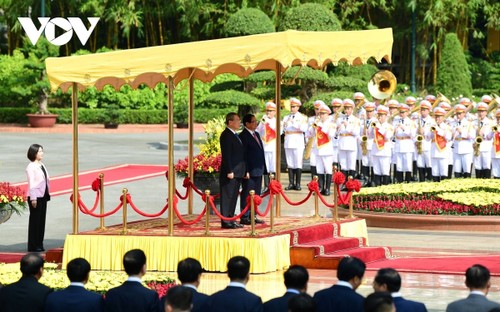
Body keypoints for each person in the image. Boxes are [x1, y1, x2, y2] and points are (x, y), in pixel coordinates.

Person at [219, 112, 246, 229]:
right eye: (237, 120)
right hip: (230, 172)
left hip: (238, 172)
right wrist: (229, 170)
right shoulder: (226, 135)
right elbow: (227, 155)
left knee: (233, 196)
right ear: (230, 122)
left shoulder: (235, 135)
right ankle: (226, 221)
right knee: (227, 196)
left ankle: (231, 218)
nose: (239, 122)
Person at [239, 114, 266, 225]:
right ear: (247, 124)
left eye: (256, 121)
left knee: (256, 194)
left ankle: (253, 215)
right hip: (249, 171)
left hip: (258, 169)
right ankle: (245, 216)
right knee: (247, 193)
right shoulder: (243, 136)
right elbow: (243, 155)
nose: (256, 123)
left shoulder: (257, 134)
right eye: (253, 122)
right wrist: (245, 171)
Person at [306, 102, 336, 195]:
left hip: (326, 149)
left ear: (328, 114)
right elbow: (309, 134)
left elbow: (331, 134)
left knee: (327, 169)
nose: (321, 115)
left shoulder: (331, 124)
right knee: (319, 170)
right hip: (317, 149)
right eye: (320, 113)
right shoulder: (317, 123)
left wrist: (321, 126)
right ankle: (321, 188)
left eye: (323, 114)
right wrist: (313, 126)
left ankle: (327, 189)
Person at [26, 143, 51, 252]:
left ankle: (39, 243)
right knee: (35, 222)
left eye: (42, 151)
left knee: (41, 221)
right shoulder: (31, 167)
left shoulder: (41, 165)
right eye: (39, 151)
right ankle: (33, 245)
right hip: (35, 197)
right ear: (34, 153)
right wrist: (33, 198)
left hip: (43, 196)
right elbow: (32, 183)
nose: (42, 153)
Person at [282, 98, 308, 191]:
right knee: (290, 163)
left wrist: (294, 124)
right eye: (291, 106)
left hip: (298, 142)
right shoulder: (286, 117)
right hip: (288, 141)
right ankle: (291, 183)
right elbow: (283, 129)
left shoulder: (302, 117)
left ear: (298, 107)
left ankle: (298, 183)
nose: (292, 108)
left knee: (297, 163)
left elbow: (304, 129)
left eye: (294, 107)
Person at [368, 105, 394, 186]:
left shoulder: (389, 126)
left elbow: (388, 136)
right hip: (376, 150)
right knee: (376, 171)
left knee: (385, 171)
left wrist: (378, 127)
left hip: (384, 151)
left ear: (386, 116)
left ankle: (385, 191)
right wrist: (372, 128)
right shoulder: (375, 125)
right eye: (379, 115)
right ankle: (377, 191)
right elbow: (370, 135)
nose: (380, 117)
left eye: (382, 115)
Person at [425, 107, 452, 182]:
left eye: (439, 116)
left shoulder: (447, 127)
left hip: (443, 152)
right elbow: (427, 138)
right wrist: (430, 131)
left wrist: (438, 130)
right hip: (434, 152)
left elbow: (449, 137)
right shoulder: (432, 126)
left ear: (443, 117)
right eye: (436, 116)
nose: (437, 118)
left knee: (443, 172)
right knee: (435, 173)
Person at [256, 102, 278, 193]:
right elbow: (258, 131)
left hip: (273, 146)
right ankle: (266, 186)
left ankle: (275, 185)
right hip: (265, 146)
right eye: (268, 111)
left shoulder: (277, 122)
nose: (269, 112)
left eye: (271, 111)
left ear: (275, 112)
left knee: (273, 166)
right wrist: (262, 123)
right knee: (266, 167)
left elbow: (279, 132)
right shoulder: (263, 120)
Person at [393, 104, 416, 183]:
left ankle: (408, 181)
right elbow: (392, 132)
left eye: (403, 112)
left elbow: (412, 134)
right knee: (399, 165)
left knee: (408, 165)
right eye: (400, 112)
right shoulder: (395, 121)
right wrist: (395, 130)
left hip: (407, 145)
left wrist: (403, 128)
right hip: (399, 144)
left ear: (407, 112)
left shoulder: (411, 122)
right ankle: (399, 181)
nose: (401, 114)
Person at [452, 104, 475, 178]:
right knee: (457, 170)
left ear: (464, 113)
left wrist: (462, 132)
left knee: (466, 170)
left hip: (466, 149)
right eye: (457, 114)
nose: (458, 115)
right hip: (456, 149)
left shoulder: (469, 124)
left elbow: (472, 136)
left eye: (460, 113)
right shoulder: (453, 123)